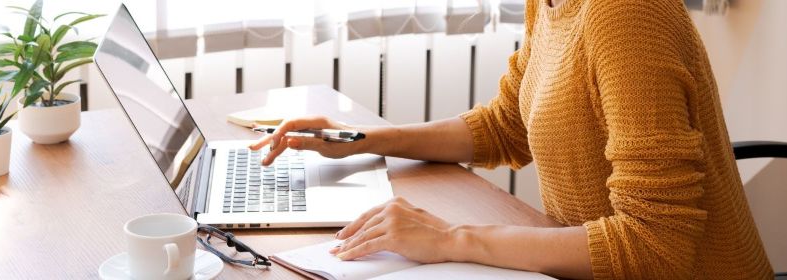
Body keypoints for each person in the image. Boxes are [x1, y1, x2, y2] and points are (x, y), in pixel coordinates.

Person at [249, 0, 773, 279]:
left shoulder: (627, 13)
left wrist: (452, 238)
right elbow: (508, 124)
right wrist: (362, 139)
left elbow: (655, 247)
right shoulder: (548, 4)